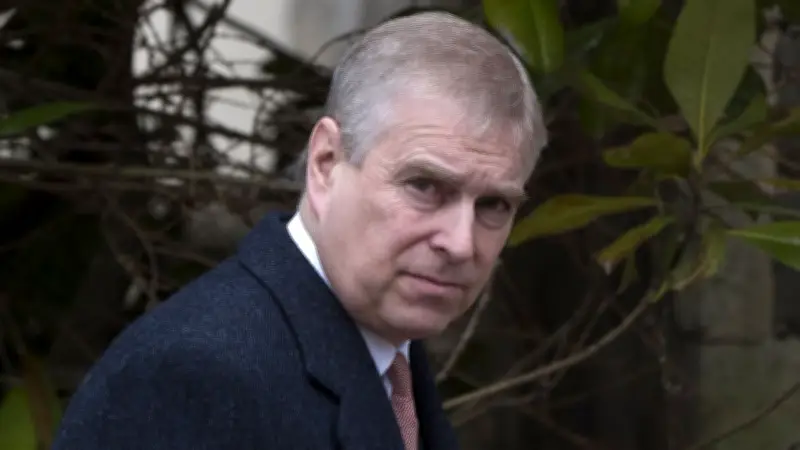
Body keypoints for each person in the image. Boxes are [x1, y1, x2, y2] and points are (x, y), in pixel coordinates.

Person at [52, 10, 548, 450]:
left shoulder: (388, 352)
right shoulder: (200, 374)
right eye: (424, 186)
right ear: (326, 163)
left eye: (494, 204)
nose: (460, 243)